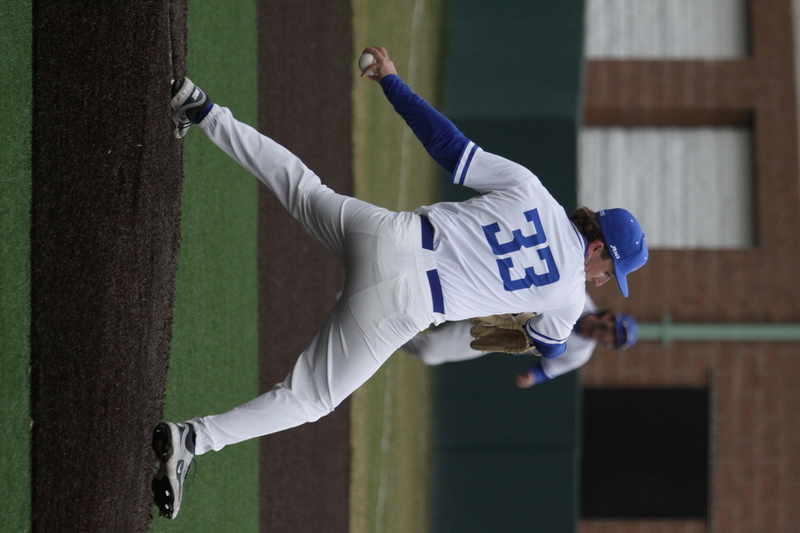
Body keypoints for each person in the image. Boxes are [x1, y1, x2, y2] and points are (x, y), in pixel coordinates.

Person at [151, 46, 648, 519]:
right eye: (610, 270)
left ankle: (203, 110)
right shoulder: (569, 296)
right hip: (402, 303)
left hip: (389, 232)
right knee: (310, 398)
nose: (604, 281)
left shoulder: (531, 187)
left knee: (302, 188)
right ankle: (192, 439)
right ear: (598, 246)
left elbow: (448, 145)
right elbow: (549, 346)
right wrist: (517, 319)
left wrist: (391, 81)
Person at [400, 293, 638, 388]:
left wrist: (531, 377)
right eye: (613, 331)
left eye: (614, 341)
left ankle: (388, 328)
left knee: (429, 351)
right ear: (609, 316)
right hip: (493, 299)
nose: (608, 338)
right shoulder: (577, 298)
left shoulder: (580, 353)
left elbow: (546, 369)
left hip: (494, 334)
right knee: (426, 297)